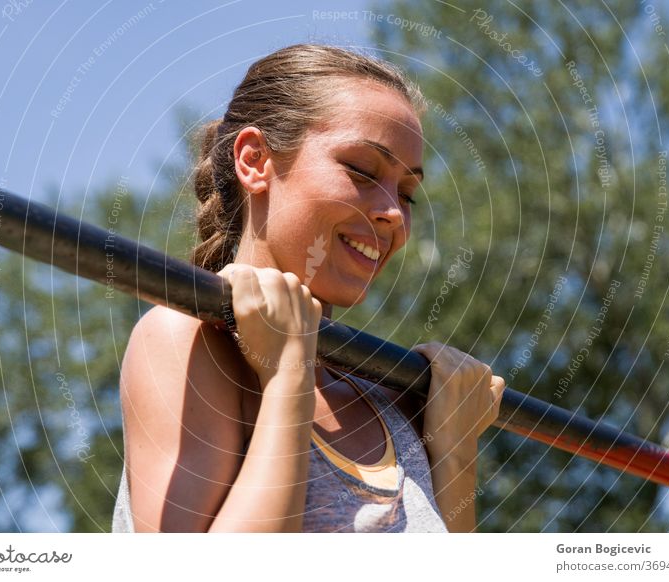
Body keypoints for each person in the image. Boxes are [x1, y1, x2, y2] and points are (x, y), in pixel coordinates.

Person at [112, 43, 505, 533]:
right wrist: (288, 378)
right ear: (254, 160)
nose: (393, 214)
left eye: (407, 193)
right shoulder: (186, 341)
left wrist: (456, 449)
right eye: (362, 171)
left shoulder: (396, 398)